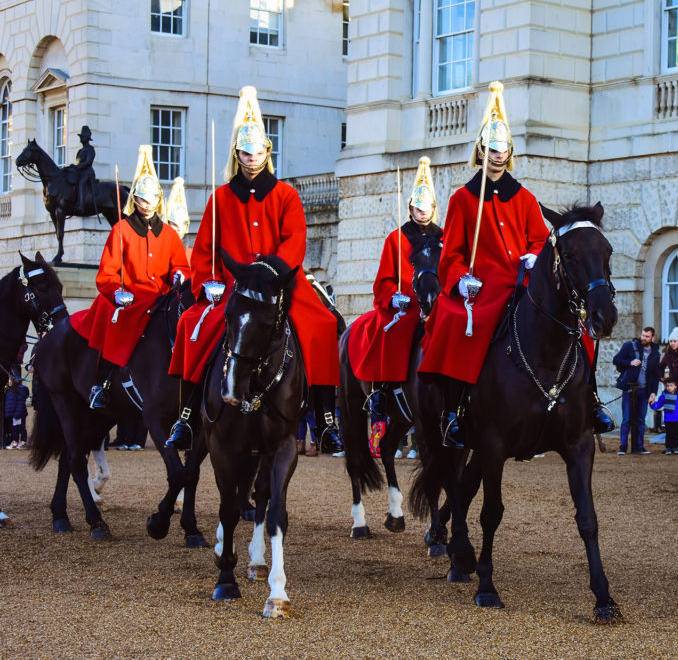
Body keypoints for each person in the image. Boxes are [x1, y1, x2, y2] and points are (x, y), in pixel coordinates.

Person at [166, 86, 343, 453]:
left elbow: (295, 240)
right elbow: (204, 251)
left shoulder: (285, 195)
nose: (252, 158)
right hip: (233, 285)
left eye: (258, 151)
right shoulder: (220, 198)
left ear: (268, 152)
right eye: (246, 152)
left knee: (322, 324)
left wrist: (273, 269)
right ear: (238, 153)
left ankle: (326, 419)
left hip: (279, 283)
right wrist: (209, 283)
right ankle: (185, 415)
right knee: (194, 327)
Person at [418, 82, 549, 448]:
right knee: (458, 322)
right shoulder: (462, 199)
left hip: (522, 282)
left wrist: (535, 255)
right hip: (483, 286)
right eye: (490, 148)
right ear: (481, 150)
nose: (496, 154)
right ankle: (456, 411)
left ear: (510, 152)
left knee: (570, 320)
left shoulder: (525, 197)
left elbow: (540, 238)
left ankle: (584, 399)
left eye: (502, 148)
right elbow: (453, 254)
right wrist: (460, 280)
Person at [69, 145, 190, 410]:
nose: (147, 205)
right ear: (135, 199)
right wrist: (116, 292)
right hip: (131, 298)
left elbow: (179, 265)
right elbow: (107, 274)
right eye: (142, 200)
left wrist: (180, 274)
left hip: (162, 297)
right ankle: (101, 384)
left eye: (152, 200)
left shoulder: (169, 235)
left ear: (159, 200)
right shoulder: (121, 230)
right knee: (117, 326)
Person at [348, 156, 443, 436]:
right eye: (417, 207)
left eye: (426, 208)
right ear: (411, 206)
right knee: (388, 330)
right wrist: (393, 298)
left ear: (433, 209)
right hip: (406, 304)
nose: (421, 212)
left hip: (436, 305)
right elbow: (384, 280)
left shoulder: (444, 238)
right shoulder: (396, 238)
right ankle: (379, 396)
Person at [613, 327, 660, 454]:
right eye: (643, 335)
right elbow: (616, 360)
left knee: (641, 420)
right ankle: (623, 447)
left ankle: (640, 446)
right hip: (629, 389)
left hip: (644, 391)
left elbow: (655, 376)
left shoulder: (656, 353)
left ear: (652, 338)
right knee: (626, 418)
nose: (643, 338)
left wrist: (653, 393)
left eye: (647, 336)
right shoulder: (630, 346)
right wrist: (630, 362)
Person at [649, 378, 678, 454]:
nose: (669, 387)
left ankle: (675, 447)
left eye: (671, 386)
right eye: (667, 386)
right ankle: (668, 448)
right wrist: (652, 404)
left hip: (677, 418)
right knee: (669, 434)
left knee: (676, 434)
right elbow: (658, 404)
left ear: (675, 386)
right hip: (668, 419)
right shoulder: (664, 395)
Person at [69, 126, 96, 211]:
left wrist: (77, 167)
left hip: (87, 172)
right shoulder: (80, 151)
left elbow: (88, 162)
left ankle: (81, 205)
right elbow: (78, 162)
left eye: (82, 137)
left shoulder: (90, 150)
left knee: (81, 183)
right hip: (80, 172)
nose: (81, 139)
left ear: (87, 139)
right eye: (81, 137)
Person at [4, 375, 29, 449]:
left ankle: (23, 442)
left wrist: (17, 414)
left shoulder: (19, 390)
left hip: (19, 413)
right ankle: (15, 441)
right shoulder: (9, 390)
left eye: (10, 380)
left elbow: (20, 403)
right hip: (12, 413)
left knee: (21, 428)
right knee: (14, 428)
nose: (9, 381)